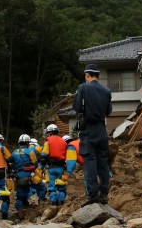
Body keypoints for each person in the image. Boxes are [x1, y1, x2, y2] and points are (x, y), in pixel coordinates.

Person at [72, 63, 112, 205]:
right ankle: (104, 194)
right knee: (102, 162)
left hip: (88, 130)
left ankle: (92, 194)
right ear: (98, 76)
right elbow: (108, 112)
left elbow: (76, 108)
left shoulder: (83, 87)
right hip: (102, 130)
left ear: (87, 75)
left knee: (89, 161)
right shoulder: (107, 91)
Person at [38, 124, 68, 206]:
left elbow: (44, 155)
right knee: (61, 185)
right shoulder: (64, 141)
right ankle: (61, 201)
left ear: (50, 132)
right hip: (61, 167)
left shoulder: (48, 141)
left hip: (51, 167)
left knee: (52, 186)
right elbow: (67, 154)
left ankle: (54, 202)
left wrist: (42, 167)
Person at [8, 134, 39, 211]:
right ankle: (42, 204)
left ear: (19, 143)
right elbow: (35, 165)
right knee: (41, 187)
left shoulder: (14, 152)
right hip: (29, 175)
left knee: (20, 194)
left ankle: (19, 210)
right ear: (28, 143)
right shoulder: (30, 152)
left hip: (18, 176)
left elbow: (9, 161)